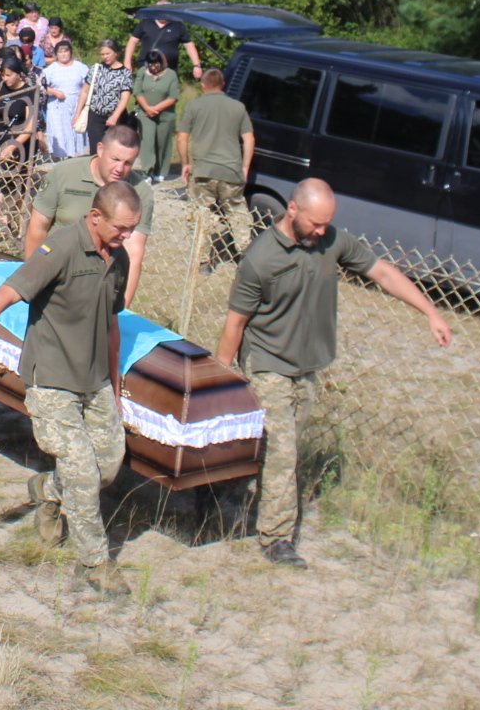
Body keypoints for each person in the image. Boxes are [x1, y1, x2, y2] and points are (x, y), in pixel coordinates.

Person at [0, 182, 146, 596]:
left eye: (132, 228)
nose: (127, 236)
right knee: (82, 472)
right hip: (52, 379)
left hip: (95, 380)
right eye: (121, 227)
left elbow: (112, 323)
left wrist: (114, 388)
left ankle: (47, 490)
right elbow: (1, 298)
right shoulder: (59, 250)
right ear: (95, 217)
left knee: (107, 465)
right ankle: (95, 564)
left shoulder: (117, 258)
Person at [218, 178, 452, 567]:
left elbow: (382, 273)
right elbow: (235, 322)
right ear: (293, 210)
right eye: (316, 223)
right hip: (267, 362)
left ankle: (220, 489)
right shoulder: (261, 259)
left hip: (306, 364)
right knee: (282, 452)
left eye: (327, 223)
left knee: (272, 446)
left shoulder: (331, 241)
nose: (322, 231)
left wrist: (430, 312)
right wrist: (220, 377)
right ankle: (276, 538)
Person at [23, 124, 154, 301]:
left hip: (100, 281)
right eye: (115, 159)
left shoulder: (140, 193)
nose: (120, 169)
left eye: (128, 163)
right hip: (54, 272)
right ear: (100, 149)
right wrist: (30, 283)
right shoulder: (64, 174)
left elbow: (134, 253)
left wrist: (121, 308)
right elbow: (38, 229)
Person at [178, 68, 256, 267]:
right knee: (237, 214)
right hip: (231, 171)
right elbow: (249, 139)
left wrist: (185, 163)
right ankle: (246, 257)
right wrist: (245, 167)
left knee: (200, 215)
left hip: (203, 172)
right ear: (223, 85)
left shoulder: (194, 106)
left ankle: (203, 261)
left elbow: (182, 137)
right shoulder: (238, 107)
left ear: (203, 85)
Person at [72, 41, 132, 155]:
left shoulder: (125, 73)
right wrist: (77, 113)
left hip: (114, 116)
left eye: (108, 54)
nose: (105, 57)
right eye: (103, 54)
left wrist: (115, 116)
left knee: (113, 149)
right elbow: (84, 91)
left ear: (115, 53)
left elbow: (124, 98)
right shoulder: (96, 69)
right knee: (96, 149)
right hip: (95, 115)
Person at [131, 50, 180, 182]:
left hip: (165, 115)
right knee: (147, 142)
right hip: (145, 113)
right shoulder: (142, 72)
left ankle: (160, 171)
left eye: (156, 64)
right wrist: (147, 108)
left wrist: (156, 109)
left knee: (162, 143)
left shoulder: (171, 75)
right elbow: (137, 91)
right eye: (151, 64)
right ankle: (146, 172)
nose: (153, 67)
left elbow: (173, 97)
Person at [42, 40, 88, 159]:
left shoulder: (80, 67)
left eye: (66, 51)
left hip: (76, 104)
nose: (63, 54)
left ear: (70, 52)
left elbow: (87, 85)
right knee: (60, 132)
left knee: (75, 131)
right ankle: (61, 157)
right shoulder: (51, 69)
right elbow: (41, 86)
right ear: (56, 54)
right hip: (57, 106)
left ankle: (76, 157)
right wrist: (54, 92)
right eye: (60, 52)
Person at [125, 11, 202, 81]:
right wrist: (127, 62)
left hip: (169, 71)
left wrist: (196, 65)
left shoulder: (178, 25)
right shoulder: (145, 23)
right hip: (146, 68)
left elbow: (189, 45)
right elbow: (132, 41)